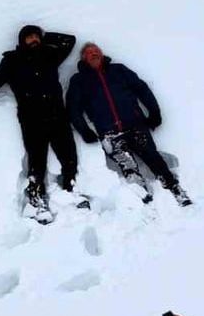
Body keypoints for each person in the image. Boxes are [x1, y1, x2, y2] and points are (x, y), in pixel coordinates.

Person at [0, 25, 79, 210]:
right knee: (37, 160)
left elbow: (70, 40)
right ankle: (36, 200)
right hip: (32, 117)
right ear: (21, 41)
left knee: (68, 155)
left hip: (57, 114)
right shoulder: (12, 61)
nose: (34, 39)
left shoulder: (50, 55)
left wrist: (44, 38)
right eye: (29, 37)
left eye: (36, 36)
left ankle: (72, 191)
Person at [66, 42, 191, 205]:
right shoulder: (79, 80)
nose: (94, 53)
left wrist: (154, 112)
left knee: (154, 158)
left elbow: (142, 89)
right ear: (83, 58)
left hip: (135, 125)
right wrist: (84, 131)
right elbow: (73, 108)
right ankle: (144, 198)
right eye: (89, 52)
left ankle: (175, 189)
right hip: (109, 133)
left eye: (97, 50)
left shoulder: (119, 70)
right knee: (128, 166)